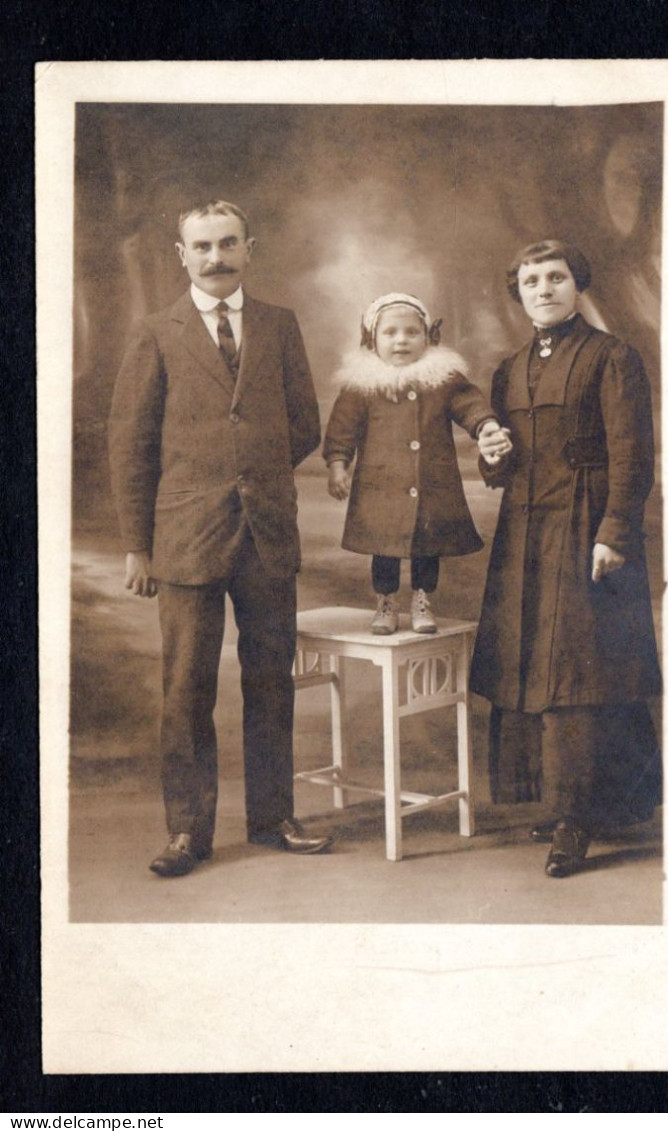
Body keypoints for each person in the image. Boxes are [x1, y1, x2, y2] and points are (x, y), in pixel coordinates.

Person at [109, 199, 333, 877]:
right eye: (201, 246)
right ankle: (187, 831)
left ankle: (272, 817)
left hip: (265, 534)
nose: (215, 258)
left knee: (271, 681)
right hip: (184, 538)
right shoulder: (156, 331)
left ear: (248, 247)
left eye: (227, 243)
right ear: (181, 255)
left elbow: (303, 425)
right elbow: (130, 445)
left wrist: (252, 477)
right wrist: (138, 543)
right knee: (185, 689)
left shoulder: (278, 325)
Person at [472, 239, 662, 878]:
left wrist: (614, 533)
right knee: (531, 665)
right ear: (519, 293)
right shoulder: (509, 367)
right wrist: (491, 456)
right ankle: (557, 804)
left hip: (587, 530)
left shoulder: (612, 358)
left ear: (577, 285)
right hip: (525, 529)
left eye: (556, 277)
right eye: (530, 281)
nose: (544, 289)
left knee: (581, 673)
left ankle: (580, 818)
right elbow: (498, 468)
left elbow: (633, 457)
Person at [323, 293, 509, 634]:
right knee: (384, 546)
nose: (401, 340)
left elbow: (469, 404)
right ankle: (386, 602)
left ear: (428, 337)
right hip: (382, 484)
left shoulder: (442, 379)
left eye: (412, 332)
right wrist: (338, 463)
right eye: (390, 333)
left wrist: (486, 425)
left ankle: (423, 599)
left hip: (430, 480)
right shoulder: (362, 385)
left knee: (428, 545)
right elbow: (342, 426)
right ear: (372, 340)